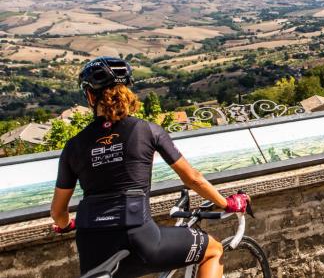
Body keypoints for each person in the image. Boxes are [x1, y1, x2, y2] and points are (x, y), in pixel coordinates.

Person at [50, 57, 251, 278]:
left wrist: (67, 224)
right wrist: (228, 203)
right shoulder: (147, 130)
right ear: (126, 90)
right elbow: (192, 178)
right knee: (213, 250)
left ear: (90, 96)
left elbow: (58, 213)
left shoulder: (73, 146)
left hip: (92, 247)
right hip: (139, 238)